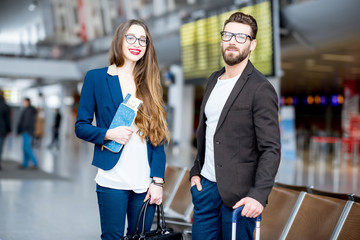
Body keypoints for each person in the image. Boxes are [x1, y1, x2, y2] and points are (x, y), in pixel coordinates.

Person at [75, 19, 169, 240]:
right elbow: (81, 126)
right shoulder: (97, 78)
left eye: (142, 40)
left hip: (145, 182)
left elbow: (158, 137)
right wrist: (108, 134)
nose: (137, 43)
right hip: (112, 177)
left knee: (141, 237)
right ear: (119, 41)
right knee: (112, 237)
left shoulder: (150, 83)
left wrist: (158, 182)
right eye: (131, 37)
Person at [189, 12, 281, 240]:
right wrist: (195, 172)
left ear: (252, 44)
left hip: (241, 197)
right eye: (228, 35)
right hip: (206, 190)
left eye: (241, 37)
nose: (232, 41)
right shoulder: (213, 80)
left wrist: (258, 196)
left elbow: (271, 148)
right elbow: (207, 132)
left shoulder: (261, 88)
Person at [17, 97, 39, 169]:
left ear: (27, 102)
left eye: (24, 102)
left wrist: (22, 128)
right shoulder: (30, 110)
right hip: (28, 130)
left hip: (27, 131)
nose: (23, 103)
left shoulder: (28, 111)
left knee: (27, 147)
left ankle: (35, 163)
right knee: (25, 148)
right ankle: (25, 164)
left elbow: (26, 121)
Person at [0, 89, 11, 170]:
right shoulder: (5, 106)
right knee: (0, 147)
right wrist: (9, 130)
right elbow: (7, 120)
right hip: (2, 130)